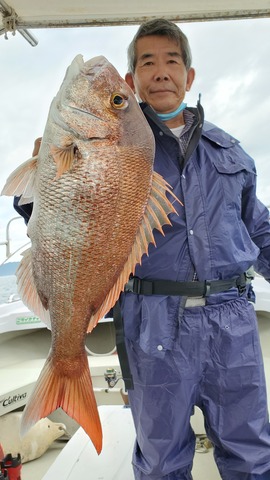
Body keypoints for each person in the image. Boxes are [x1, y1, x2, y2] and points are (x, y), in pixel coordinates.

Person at [14, 19, 270, 480]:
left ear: (189, 76)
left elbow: (262, 230)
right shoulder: (125, 145)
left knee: (252, 454)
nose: (161, 72)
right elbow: (56, 223)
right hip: (154, 326)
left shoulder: (231, 152)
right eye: (147, 62)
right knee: (160, 460)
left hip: (233, 323)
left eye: (172, 61)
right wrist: (44, 176)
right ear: (132, 83)